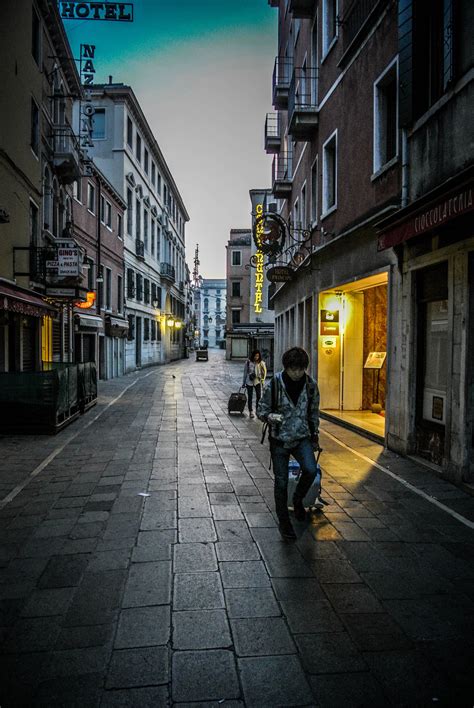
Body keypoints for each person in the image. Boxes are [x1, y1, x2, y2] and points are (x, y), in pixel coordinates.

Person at [257, 346, 320, 540]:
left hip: (302, 438)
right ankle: (284, 523)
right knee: (281, 482)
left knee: (310, 469)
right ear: (286, 367)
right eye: (293, 369)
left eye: (300, 369)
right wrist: (270, 416)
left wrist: (314, 435)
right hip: (279, 440)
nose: (296, 373)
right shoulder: (274, 384)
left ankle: (298, 499)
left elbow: (314, 412)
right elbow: (261, 410)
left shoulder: (310, 385)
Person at [242, 350, 267, 418]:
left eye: (258, 356)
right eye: (255, 356)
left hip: (257, 381)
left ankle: (257, 411)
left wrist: (262, 380)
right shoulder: (248, 362)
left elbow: (264, 372)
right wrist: (243, 383)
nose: (256, 357)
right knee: (250, 397)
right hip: (249, 381)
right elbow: (245, 373)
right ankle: (251, 411)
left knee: (258, 396)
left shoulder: (261, 363)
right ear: (253, 355)